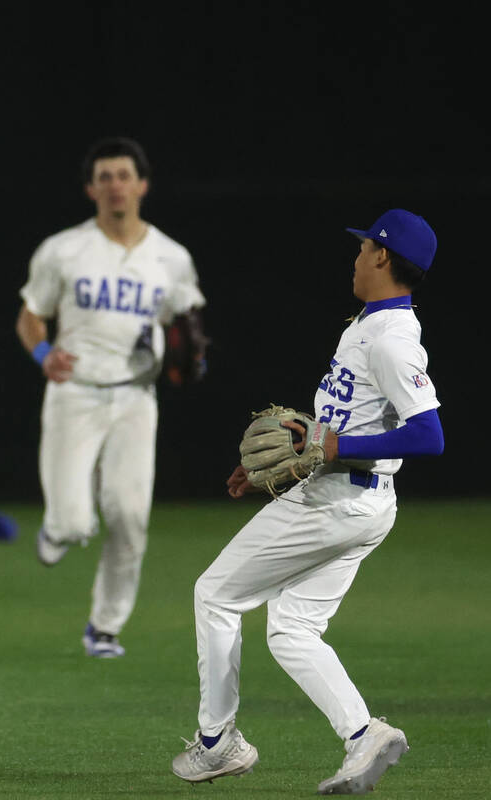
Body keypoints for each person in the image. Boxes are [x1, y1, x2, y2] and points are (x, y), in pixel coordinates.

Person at [170, 209, 444, 795]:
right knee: (292, 628)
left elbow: (429, 435)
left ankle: (217, 743)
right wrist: (277, 469)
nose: (355, 257)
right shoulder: (369, 326)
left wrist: (335, 445)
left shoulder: (393, 339)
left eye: (362, 247)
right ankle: (363, 734)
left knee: (215, 594)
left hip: (338, 504)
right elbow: (331, 432)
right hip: (355, 501)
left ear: (380, 257)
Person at [15, 137, 206, 658]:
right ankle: (58, 527)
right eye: (105, 176)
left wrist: (188, 357)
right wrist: (42, 354)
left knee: (129, 514)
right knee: (76, 521)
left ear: (142, 185)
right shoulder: (63, 249)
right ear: (90, 188)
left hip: (135, 400)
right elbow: (30, 315)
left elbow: (188, 328)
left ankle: (104, 627)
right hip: (73, 392)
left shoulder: (172, 258)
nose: (115, 184)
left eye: (124, 175)